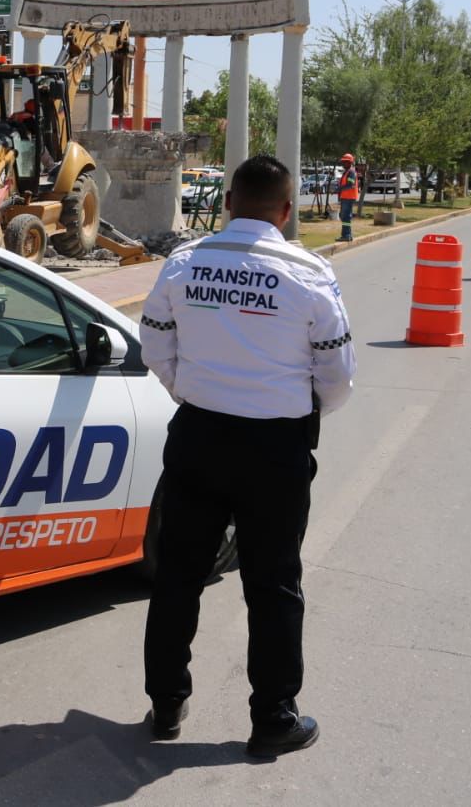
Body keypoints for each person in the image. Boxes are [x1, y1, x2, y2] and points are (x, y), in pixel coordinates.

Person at [138, 154, 357, 757]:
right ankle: (273, 718)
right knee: (273, 583)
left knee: (179, 575)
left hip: (199, 436)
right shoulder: (309, 272)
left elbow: (154, 343)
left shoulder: (184, 263)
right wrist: (304, 412)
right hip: (275, 449)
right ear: (286, 212)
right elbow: (336, 373)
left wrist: (190, 390)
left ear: (229, 202)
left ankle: (165, 705)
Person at [335, 153, 360, 242]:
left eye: (345, 162)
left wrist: (339, 188)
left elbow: (350, 185)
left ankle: (346, 235)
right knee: (344, 216)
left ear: (350, 163)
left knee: (345, 216)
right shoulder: (347, 172)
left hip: (349, 197)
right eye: (343, 162)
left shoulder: (351, 172)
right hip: (345, 197)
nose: (343, 164)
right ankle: (348, 235)